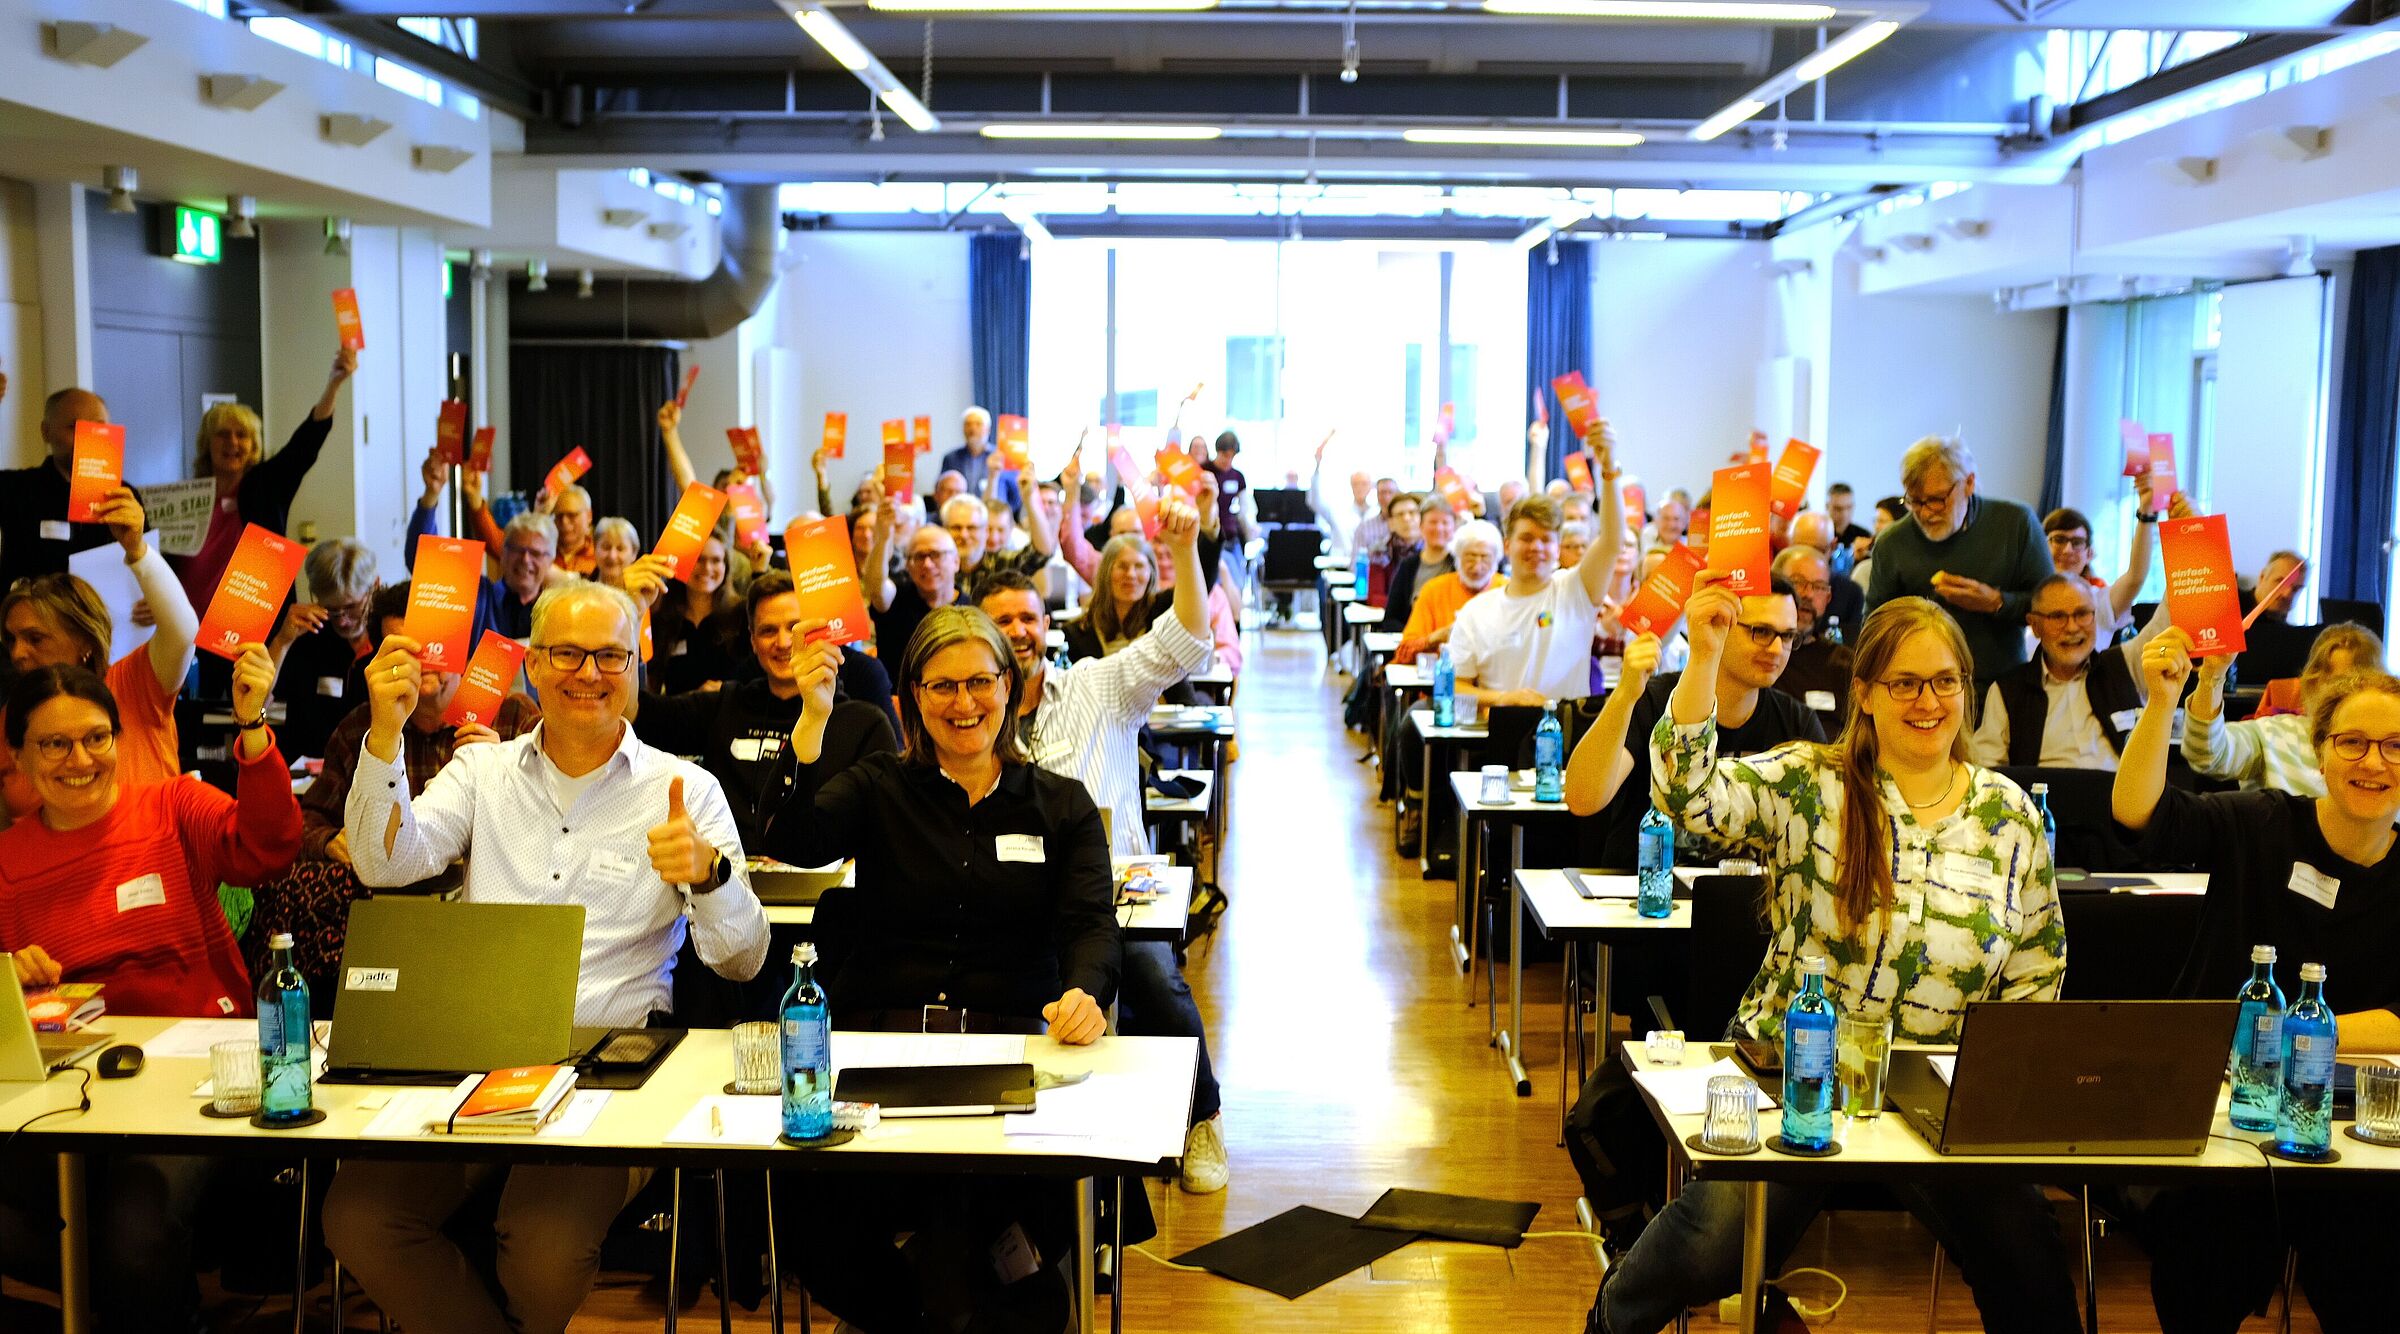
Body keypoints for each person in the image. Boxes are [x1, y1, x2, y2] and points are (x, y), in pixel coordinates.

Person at [1590, 590, 2076, 1334]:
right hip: (1795, 1074)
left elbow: (2038, 968)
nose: (1927, 701)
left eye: (1944, 681)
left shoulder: (2007, 816)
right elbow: (1685, 798)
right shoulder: (1806, 781)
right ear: (1866, 693)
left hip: (1938, 1094)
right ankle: (1610, 1319)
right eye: (1905, 683)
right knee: (1713, 1247)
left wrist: (1998, 1094)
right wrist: (1705, 655)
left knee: (2029, 1258)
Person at [327, 580, 769, 1334]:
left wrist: (711, 876)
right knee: (361, 1216)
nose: (588, 673)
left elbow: (742, 963)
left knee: (543, 1249)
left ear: (637, 666)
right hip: (471, 1055)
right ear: (532, 663)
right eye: (567, 653)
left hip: (607, 1068)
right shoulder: (481, 773)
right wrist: (383, 737)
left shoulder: (686, 789)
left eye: (609, 656)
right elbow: (384, 862)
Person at [763, 606, 1118, 1333]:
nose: (964, 704)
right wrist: (811, 718)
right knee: (803, 1216)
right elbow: (791, 838)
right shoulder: (878, 785)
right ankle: (934, 1306)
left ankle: (946, 1300)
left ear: (1011, 688)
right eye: (942, 687)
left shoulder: (1062, 806)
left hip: (1010, 1057)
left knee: (966, 1247)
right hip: (884, 1058)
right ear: (911, 700)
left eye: (981, 682)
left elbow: (1090, 926)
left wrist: (1085, 990)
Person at [0, 646, 300, 1333]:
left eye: (96, 738)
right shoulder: (7, 862)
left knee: (133, 1235)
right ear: (16, 755)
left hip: (195, 1077)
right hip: (64, 1087)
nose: (80, 760)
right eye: (54, 744)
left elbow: (269, 847)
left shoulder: (171, 806)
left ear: (119, 738)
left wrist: (252, 730)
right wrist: (6, 972)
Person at [2111, 633, 2400, 1334]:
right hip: (2222, 1121)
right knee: (2206, 1258)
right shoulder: (2262, 823)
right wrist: (2161, 703)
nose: (2373, 762)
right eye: (2353, 742)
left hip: (2361, 1133)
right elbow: (2138, 812)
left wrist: (2273, 1034)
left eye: (2395, 746)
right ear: (2319, 749)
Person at [976, 498, 1230, 1192]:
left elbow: (1185, 642)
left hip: (1117, 895)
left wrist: (1183, 553)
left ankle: (1200, 1114)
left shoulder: (1096, 687)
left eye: (1029, 617)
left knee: (1153, 981)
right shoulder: (961, 716)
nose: (1020, 632)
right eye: (1003, 621)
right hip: (1011, 903)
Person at [250, 582, 540, 1004]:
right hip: (390, 930)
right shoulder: (360, 729)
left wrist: (505, 769)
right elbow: (307, 819)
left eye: (432, 647)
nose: (419, 663)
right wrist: (331, 841)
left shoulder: (512, 717)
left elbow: (557, 825)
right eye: (399, 650)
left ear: (461, 646)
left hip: (486, 929)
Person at [1563, 576, 1823, 868]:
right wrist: (1624, 694)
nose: (1776, 649)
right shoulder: (1654, 698)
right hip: (1645, 899)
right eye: (1760, 631)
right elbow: (1583, 799)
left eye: (1787, 636)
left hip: (1745, 903)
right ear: (1719, 624)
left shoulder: (1797, 722)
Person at [631, 569, 896, 850]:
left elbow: (888, 820)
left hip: (823, 884)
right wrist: (633, 617)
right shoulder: (724, 705)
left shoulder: (864, 723)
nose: (783, 643)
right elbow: (635, 714)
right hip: (725, 880)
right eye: (768, 630)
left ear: (820, 634)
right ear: (753, 641)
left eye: (795, 629)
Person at [0, 487, 197, 824]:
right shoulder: (11, 717)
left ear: (84, 641)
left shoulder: (134, 683)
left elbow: (182, 633)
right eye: (10, 639)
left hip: (148, 865)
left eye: (35, 638)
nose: (18, 653)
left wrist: (137, 551)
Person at [170, 346, 358, 608]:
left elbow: (305, 443)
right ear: (207, 443)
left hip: (253, 626)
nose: (232, 442)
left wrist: (333, 385)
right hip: (189, 628)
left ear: (253, 445)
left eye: (242, 435)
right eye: (223, 434)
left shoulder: (267, 485)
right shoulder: (186, 498)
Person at [1450, 426, 1625, 707]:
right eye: (1526, 538)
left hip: (1571, 735)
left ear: (1557, 548)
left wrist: (1609, 469)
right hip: (1505, 739)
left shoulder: (1577, 589)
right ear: (1507, 546)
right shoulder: (1476, 612)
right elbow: (1455, 686)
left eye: (1546, 540)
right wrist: (1504, 699)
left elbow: (1612, 540)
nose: (1536, 548)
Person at [1863, 436, 2052, 685]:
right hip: (1923, 687)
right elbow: (1875, 625)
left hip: (2002, 687)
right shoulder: (1892, 543)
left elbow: (2051, 608)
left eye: (1937, 499)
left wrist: (1996, 602)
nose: (1926, 513)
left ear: (1969, 483)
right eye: (1915, 501)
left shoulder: (2016, 524)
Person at [1969, 573, 2174, 770]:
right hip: (2042, 803)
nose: (2072, 628)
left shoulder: (2124, 666)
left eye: (2082, 613)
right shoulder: (2008, 692)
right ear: (2035, 625)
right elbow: (1988, 771)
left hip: (2123, 802)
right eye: (2058, 616)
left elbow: (2166, 625)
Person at [2182, 623, 2384, 798]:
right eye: (2338, 683)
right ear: (2312, 682)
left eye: (2361, 684)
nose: (2350, 695)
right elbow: (2207, 754)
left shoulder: (2386, 754)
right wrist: (2212, 675)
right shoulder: (2272, 734)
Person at [0, 389, 132, 592]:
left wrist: (149, 596)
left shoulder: (124, 498)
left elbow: (144, 563)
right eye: (74, 427)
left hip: (108, 621)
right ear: (46, 431)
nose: (87, 437)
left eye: (98, 427)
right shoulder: (16, 489)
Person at [269, 536, 380, 762]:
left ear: (374, 586)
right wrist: (282, 642)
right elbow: (255, 701)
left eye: (351, 607)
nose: (342, 621)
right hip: (312, 777)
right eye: (331, 609)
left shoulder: (389, 634)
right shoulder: (306, 635)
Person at [2043, 479, 2163, 642]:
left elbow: (2135, 577)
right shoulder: (2023, 599)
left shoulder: (2098, 602)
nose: (2067, 550)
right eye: (2059, 539)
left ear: (2089, 554)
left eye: (2077, 543)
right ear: (2042, 545)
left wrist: (2146, 512)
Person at [647, 534, 748, 694]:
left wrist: (726, 690)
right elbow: (652, 680)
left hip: (731, 714)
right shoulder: (662, 616)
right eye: (698, 559)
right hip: (677, 716)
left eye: (715, 560)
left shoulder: (743, 614)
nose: (707, 568)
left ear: (726, 567)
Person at [1770, 544, 1854, 731]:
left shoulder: (1846, 665)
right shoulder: (1757, 653)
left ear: (1828, 598)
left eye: (1819, 587)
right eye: (1797, 582)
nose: (1808, 594)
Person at [1395, 519, 1501, 665]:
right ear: (1457, 558)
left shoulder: (1507, 590)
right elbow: (1403, 653)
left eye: (1485, 557)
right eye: (1470, 557)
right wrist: (1438, 637)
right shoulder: (1434, 590)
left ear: (1496, 560)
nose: (1477, 567)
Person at [873, 525, 959, 666]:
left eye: (935, 554)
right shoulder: (895, 601)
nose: (927, 564)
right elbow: (876, 587)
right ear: (908, 566)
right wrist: (883, 538)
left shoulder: (971, 608)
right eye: (919, 557)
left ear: (956, 562)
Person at [1785, 511, 1866, 642]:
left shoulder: (1851, 594)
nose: (1809, 558)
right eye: (1800, 549)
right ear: (1789, 544)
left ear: (1833, 546)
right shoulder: (1773, 587)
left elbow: (1848, 652)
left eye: (1816, 550)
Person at [1380, 502, 1456, 634]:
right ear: (1421, 527)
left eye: (1445, 523)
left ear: (1454, 528)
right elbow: (1391, 619)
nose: (1439, 528)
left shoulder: (1460, 566)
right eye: (1432, 522)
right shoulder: (1408, 566)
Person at [940, 406, 1022, 513]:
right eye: (968, 424)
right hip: (961, 516)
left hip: (995, 517)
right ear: (963, 428)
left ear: (988, 429)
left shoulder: (1002, 457)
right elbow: (941, 491)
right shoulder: (950, 458)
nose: (972, 429)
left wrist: (1004, 513)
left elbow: (1017, 495)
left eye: (978, 424)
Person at [2242, 549, 2309, 626]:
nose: (2287, 594)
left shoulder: (2291, 633)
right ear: (2262, 576)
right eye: (2281, 583)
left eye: (2296, 588)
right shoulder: (2231, 608)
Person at [592, 515, 641, 590]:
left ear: (634, 553)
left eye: (620, 549)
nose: (612, 556)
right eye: (606, 547)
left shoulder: (644, 593)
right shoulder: (579, 589)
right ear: (595, 548)